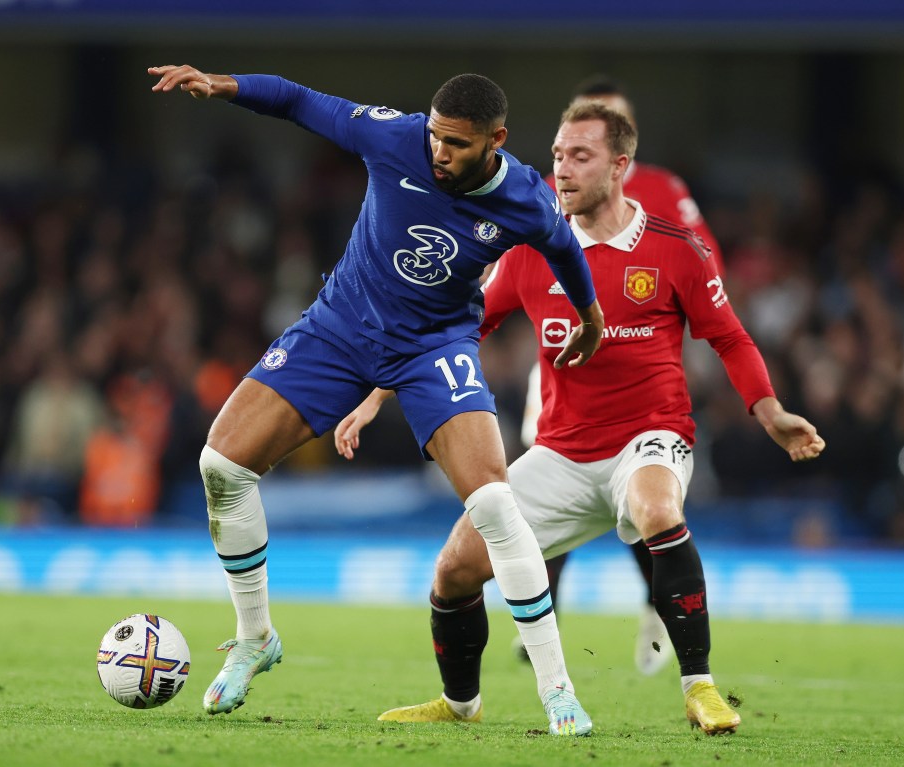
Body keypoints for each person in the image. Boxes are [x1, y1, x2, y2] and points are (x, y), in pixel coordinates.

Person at [336, 101, 825, 735]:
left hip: (648, 440)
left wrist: (771, 411)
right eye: (558, 155)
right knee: (454, 568)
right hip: (561, 452)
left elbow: (729, 337)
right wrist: (375, 397)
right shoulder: (531, 252)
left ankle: (699, 686)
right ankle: (460, 704)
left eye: (580, 156)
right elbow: (452, 330)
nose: (561, 169)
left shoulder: (678, 251)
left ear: (620, 166)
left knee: (658, 510)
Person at [147, 64, 605, 736]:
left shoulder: (528, 199)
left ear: (495, 140)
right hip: (340, 328)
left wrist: (589, 313)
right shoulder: (396, 138)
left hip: (433, 347)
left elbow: (564, 247)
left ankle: (558, 690)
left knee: (496, 504)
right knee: (221, 465)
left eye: (456, 144)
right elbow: (301, 100)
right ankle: (256, 638)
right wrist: (223, 85)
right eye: (436, 137)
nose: (439, 152)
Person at [530, 75, 727, 676]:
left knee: (646, 499)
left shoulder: (663, 190)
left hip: (645, 346)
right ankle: (544, 622)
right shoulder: (547, 192)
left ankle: (655, 603)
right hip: (560, 363)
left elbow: (705, 256)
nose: (574, 161)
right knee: (543, 498)